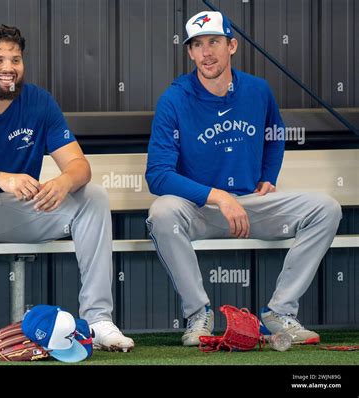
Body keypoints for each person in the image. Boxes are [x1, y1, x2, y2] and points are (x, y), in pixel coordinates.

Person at [0, 25, 134, 356]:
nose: (8, 68)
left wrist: (63, 182)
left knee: (92, 195)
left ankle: (98, 320)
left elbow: (80, 166)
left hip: (23, 210)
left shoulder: (39, 101)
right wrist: (0, 177)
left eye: (16, 60)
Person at [145, 11, 342, 346]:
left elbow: (275, 132)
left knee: (326, 208)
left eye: (214, 42)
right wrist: (219, 196)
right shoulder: (174, 99)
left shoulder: (257, 90)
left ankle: (279, 312)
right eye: (197, 44)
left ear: (231, 46)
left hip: (250, 205)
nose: (206, 52)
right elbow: (157, 175)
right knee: (161, 213)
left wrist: (269, 174)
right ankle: (198, 314)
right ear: (190, 52)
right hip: (200, 209)